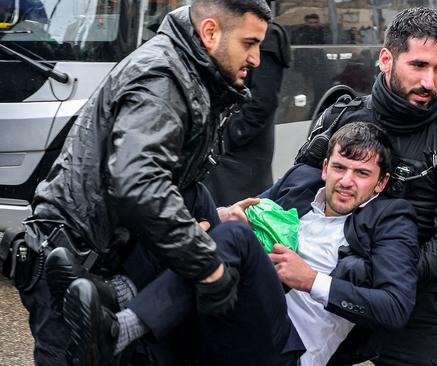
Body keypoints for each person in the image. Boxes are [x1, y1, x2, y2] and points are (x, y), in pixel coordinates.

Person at [12, 1, 271, 365]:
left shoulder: (188, 71)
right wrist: (209, 268)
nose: (257, 58)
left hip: (101, 264)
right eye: (249, 43)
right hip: (73, 274)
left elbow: (167, 181)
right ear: (210, 33)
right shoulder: (163, 77)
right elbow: (139, 182)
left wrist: (216, 216)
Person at [49, 122, 420, 366]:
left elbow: (395, 308)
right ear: (325, 167)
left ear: (381, 183)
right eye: (340, 168)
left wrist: (311, 280)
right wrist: (225, 214)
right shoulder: (301, 181)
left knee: (234, 239)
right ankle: (111, 291)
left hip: (285, 349)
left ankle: (118, 325)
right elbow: (244, 220)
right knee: (194, 201)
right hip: (232, 308)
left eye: (362, 174)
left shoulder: (391, 221)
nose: (346, 181)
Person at [296, 8, 437, 366]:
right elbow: (298, 195)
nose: (429, 82)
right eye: (418, 65)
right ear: (386, 59)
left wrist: (374, 272)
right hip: (327, 288)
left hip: (411, 303)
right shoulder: (340, 118)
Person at [203, 9, 291, 205]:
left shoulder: (267, 34)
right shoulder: (231, 27)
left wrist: (229, 136)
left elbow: (263, 101)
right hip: (226, 151)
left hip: (242, 153)